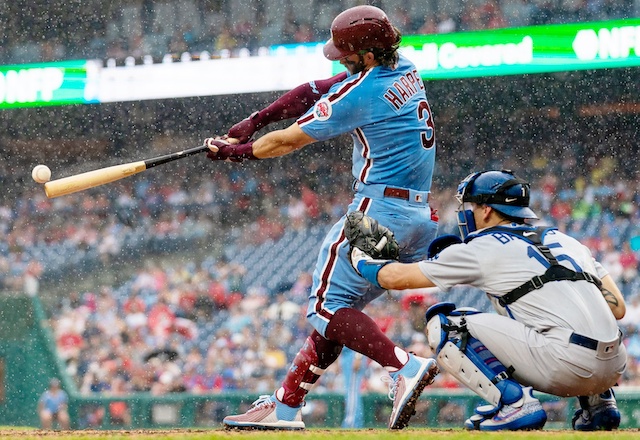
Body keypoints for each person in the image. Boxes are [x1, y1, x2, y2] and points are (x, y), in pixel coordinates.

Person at [205, 5, 439, 430]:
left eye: (346, 53)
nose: (339, 59)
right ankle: (285, 406)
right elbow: (315, 89)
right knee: (341, 314)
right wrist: (254, 121)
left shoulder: (363, 93)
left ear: (366, 55)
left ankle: (403, 367)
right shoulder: (403, 66)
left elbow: (287, 142)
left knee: (324, 306)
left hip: (375, 215)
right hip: (418, 216)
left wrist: (233, 153)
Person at [348, 169, 627, 431]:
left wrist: (360, 258)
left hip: (566, 367)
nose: (465, 213)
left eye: (469, 206)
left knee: (446, 324)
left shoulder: (484, 245)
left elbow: (395, 279)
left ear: (486, 210)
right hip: (614, 365)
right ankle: (600, 405)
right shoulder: (566, 241)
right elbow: (617, 308)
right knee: (561, 316)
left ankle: (515, 405)